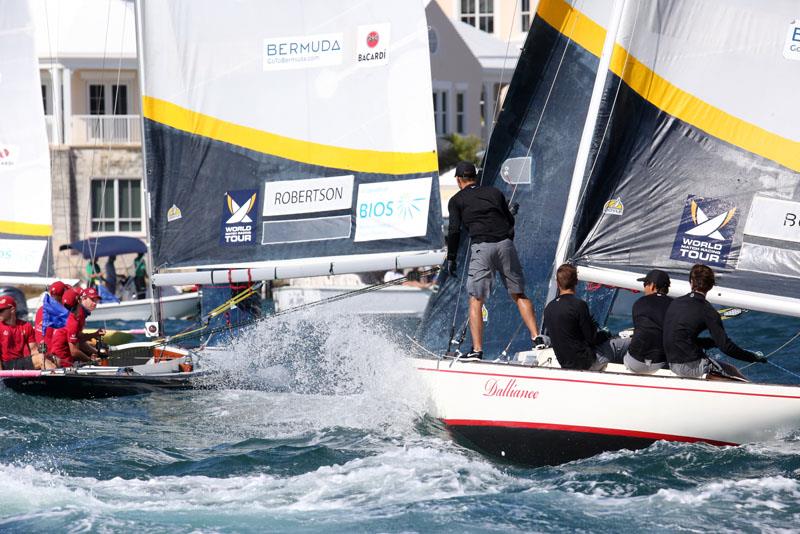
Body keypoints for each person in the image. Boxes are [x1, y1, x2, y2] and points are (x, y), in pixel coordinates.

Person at [446, 161, 539, 359]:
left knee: (476, 300)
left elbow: (454, 231)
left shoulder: (456, 200)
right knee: (518, 294)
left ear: (458, 179)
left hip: (482, 247)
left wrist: (451, 258)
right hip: (505, 244)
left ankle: (477, 351)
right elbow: (509, 220)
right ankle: (537, 338)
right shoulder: (494, 192)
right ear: (475, 177)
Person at [663, 264, 767, 378]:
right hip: (689, 366)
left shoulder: (675, 302)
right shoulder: (708, 312)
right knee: (733, 372)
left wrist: (709, 342)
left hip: (670, 362)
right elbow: (726, 347)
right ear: (711, 286)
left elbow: (677, 334)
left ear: (691, 282)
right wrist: (752, 358)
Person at [542, 264, 629, 371]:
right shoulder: (579, 305)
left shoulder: (549, 308)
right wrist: (605, 335)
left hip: (565, 365)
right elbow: (591, 339)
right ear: (576, 281)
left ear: (558, 283)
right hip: (587, 364)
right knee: (627, 343)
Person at [623, 269, 673, 374]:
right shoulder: (675, 305)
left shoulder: (639, 303)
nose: (644, 288)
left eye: (645, 284)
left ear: (653, 286)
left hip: (635, 363)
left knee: (614, 343)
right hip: (661, 363)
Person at [49, 288, 105, 368]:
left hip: (64, 352)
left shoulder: (78, 315)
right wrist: (91, 361)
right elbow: (74, 352)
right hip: (62, 357)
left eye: (96, 301)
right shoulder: (76, 318)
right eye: (92, 300)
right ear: (82, 299)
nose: (95, 303)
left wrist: (94, 335)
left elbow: (78, 338)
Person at [0, 296, 53, 370]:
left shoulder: (26, 326)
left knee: (52, 359)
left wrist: (43, 352)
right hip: (5, 364)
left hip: (20, 362)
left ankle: (53, 379)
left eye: (1, 310)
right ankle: (55, 380)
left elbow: (34, 350)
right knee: (41, 359)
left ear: (12, 310)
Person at [34, 281, 70, 353]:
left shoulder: (41, 309)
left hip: (41, 353)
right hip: (56, 356)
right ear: (62, 296)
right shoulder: (62, 314)